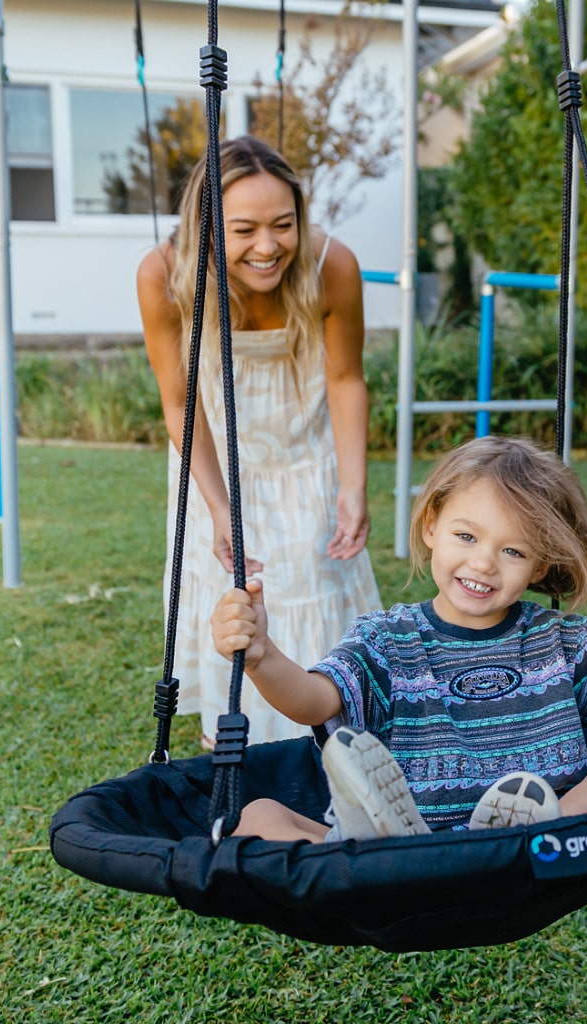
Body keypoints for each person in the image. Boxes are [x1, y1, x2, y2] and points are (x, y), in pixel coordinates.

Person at [210, 435, 587, 843]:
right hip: (418, 830)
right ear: (431, 526)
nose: (482, 564)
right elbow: (314, 701)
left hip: (540, 822)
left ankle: (541, 829)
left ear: (540, 565)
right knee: (255, 815)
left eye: (513, 551)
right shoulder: (389, 639)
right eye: (467, 537)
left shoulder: (558, 640)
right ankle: (377, 847)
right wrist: (261, 657)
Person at [137, 135, 381, 748]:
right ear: (207, 226)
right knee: (231, 593)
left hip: (306, 454)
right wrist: (219, 508)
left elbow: (347, 379)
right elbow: (180, 402)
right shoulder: (165, 275)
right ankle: (240, 739)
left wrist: (353, 485)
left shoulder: (332, 266)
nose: (268, 247)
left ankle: (334, 730)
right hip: (214, 457)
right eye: (244, 229)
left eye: (283, 224)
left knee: (313, 582)